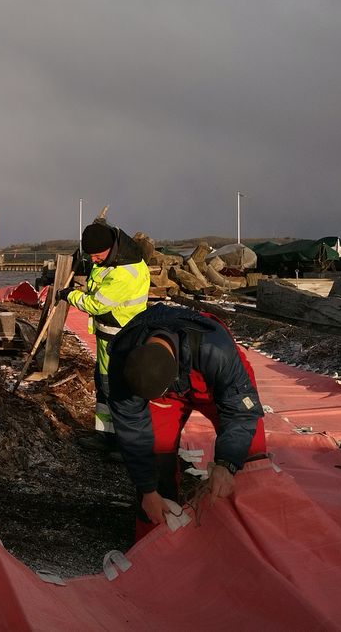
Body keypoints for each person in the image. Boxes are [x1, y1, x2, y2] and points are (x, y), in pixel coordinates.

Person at [107, 303, 267, 540]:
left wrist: (227, 463)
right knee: (157, 457)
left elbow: (240, 411)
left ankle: (255, 538)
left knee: (251, 456)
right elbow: (132, 431)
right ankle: (154, 545)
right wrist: (148, 490)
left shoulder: (217, 349)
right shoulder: (124, 364)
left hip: (214, 385)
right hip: (168, 393)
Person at [57, 220, 150, 455]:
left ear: (110, 248)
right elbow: (96, 279)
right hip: (107, 337)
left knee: (119, 391)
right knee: (103, 386)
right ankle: (105, 435)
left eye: (97, 256)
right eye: (91, 256)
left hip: (122, 339)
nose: (94, 260)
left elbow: (96, 304)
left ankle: (126, 445)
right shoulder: (110, 258)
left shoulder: (124, 273)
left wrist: (70, 295)